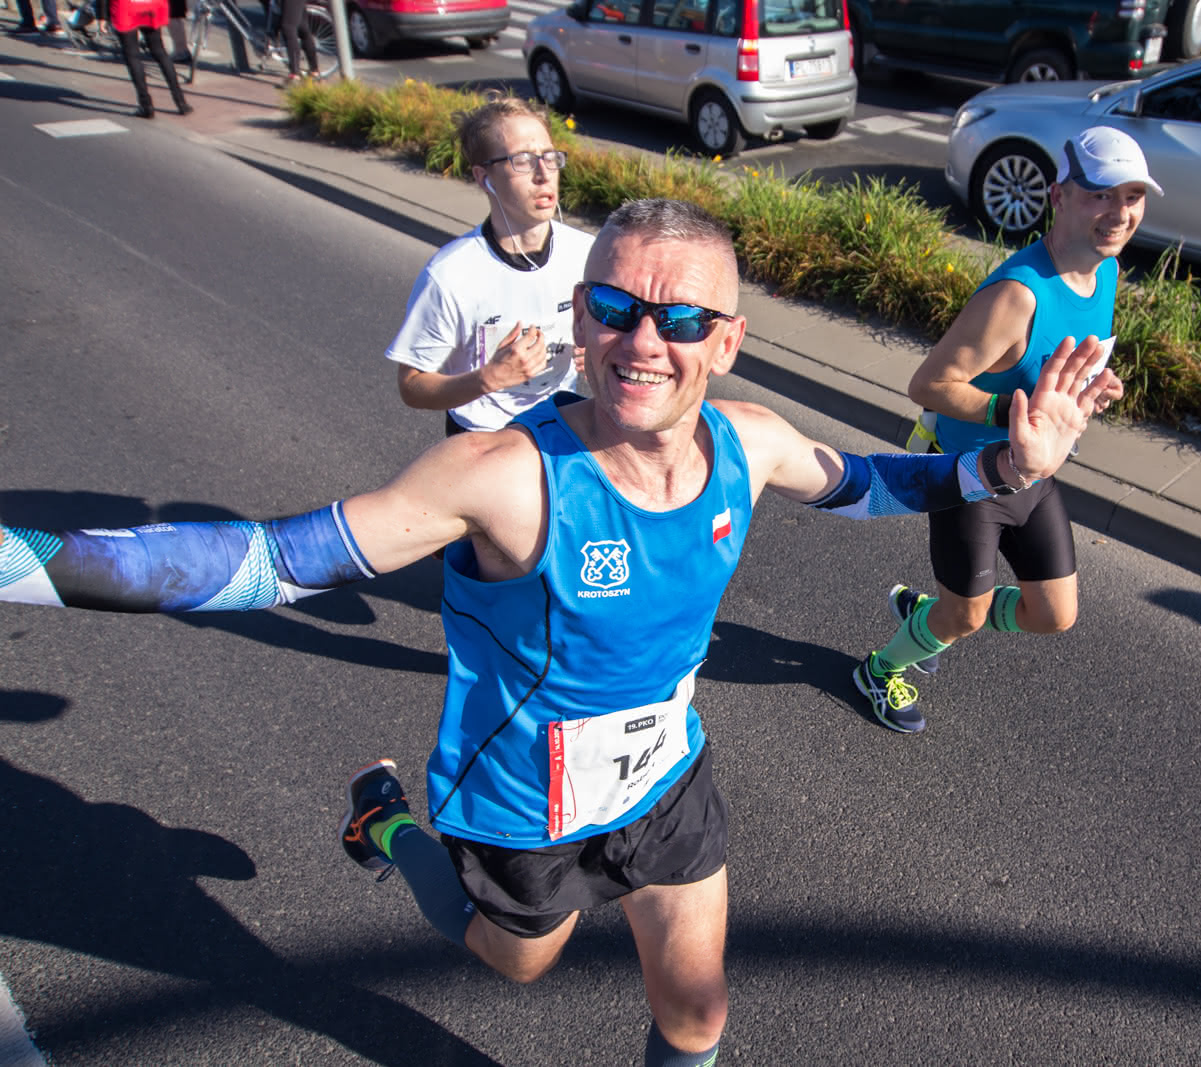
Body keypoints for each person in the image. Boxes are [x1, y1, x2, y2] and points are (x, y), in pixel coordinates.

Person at [0, 199, 1115, 1066]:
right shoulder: (502, 475)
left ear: (726, 339)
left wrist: (1008, 466)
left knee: (697, 1001)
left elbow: (873, 481)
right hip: (521, 797)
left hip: (665, 775)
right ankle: (387, 826)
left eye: (680, 319)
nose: (644, 340)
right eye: (616, 308)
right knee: (511, 962)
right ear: (578, 317)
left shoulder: (752, 441)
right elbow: (269, 559)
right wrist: (23, 561)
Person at [854, 125, 1159, 734]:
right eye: (1101, 195)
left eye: (1132, 196)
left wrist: (1086, 389)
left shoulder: (1105, 272)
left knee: (1054, 613)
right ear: (1060, 196)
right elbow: (929, 386)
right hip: (973, 477)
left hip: (1038, 470)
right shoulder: (1017, 295)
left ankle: (929, 614)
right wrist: (1018, 415)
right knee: (965, 619)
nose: (1120, 213)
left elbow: (1061, 363)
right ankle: (881, 666)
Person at [386, 96, 592, 437]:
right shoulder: (450, 275)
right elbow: (411, 386)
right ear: (485, 178)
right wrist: (490, 377)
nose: (544, 175)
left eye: (550, 158)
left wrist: (596, 349)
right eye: (523, 161)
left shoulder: (586, 253)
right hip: (483, 437)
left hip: (560, 427)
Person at [108, 0, 190, 119]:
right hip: (151, 5)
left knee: (132, 56)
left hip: (126, 7)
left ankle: (146, 105)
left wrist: (102, 16)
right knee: (160, 52)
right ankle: (181, 102)